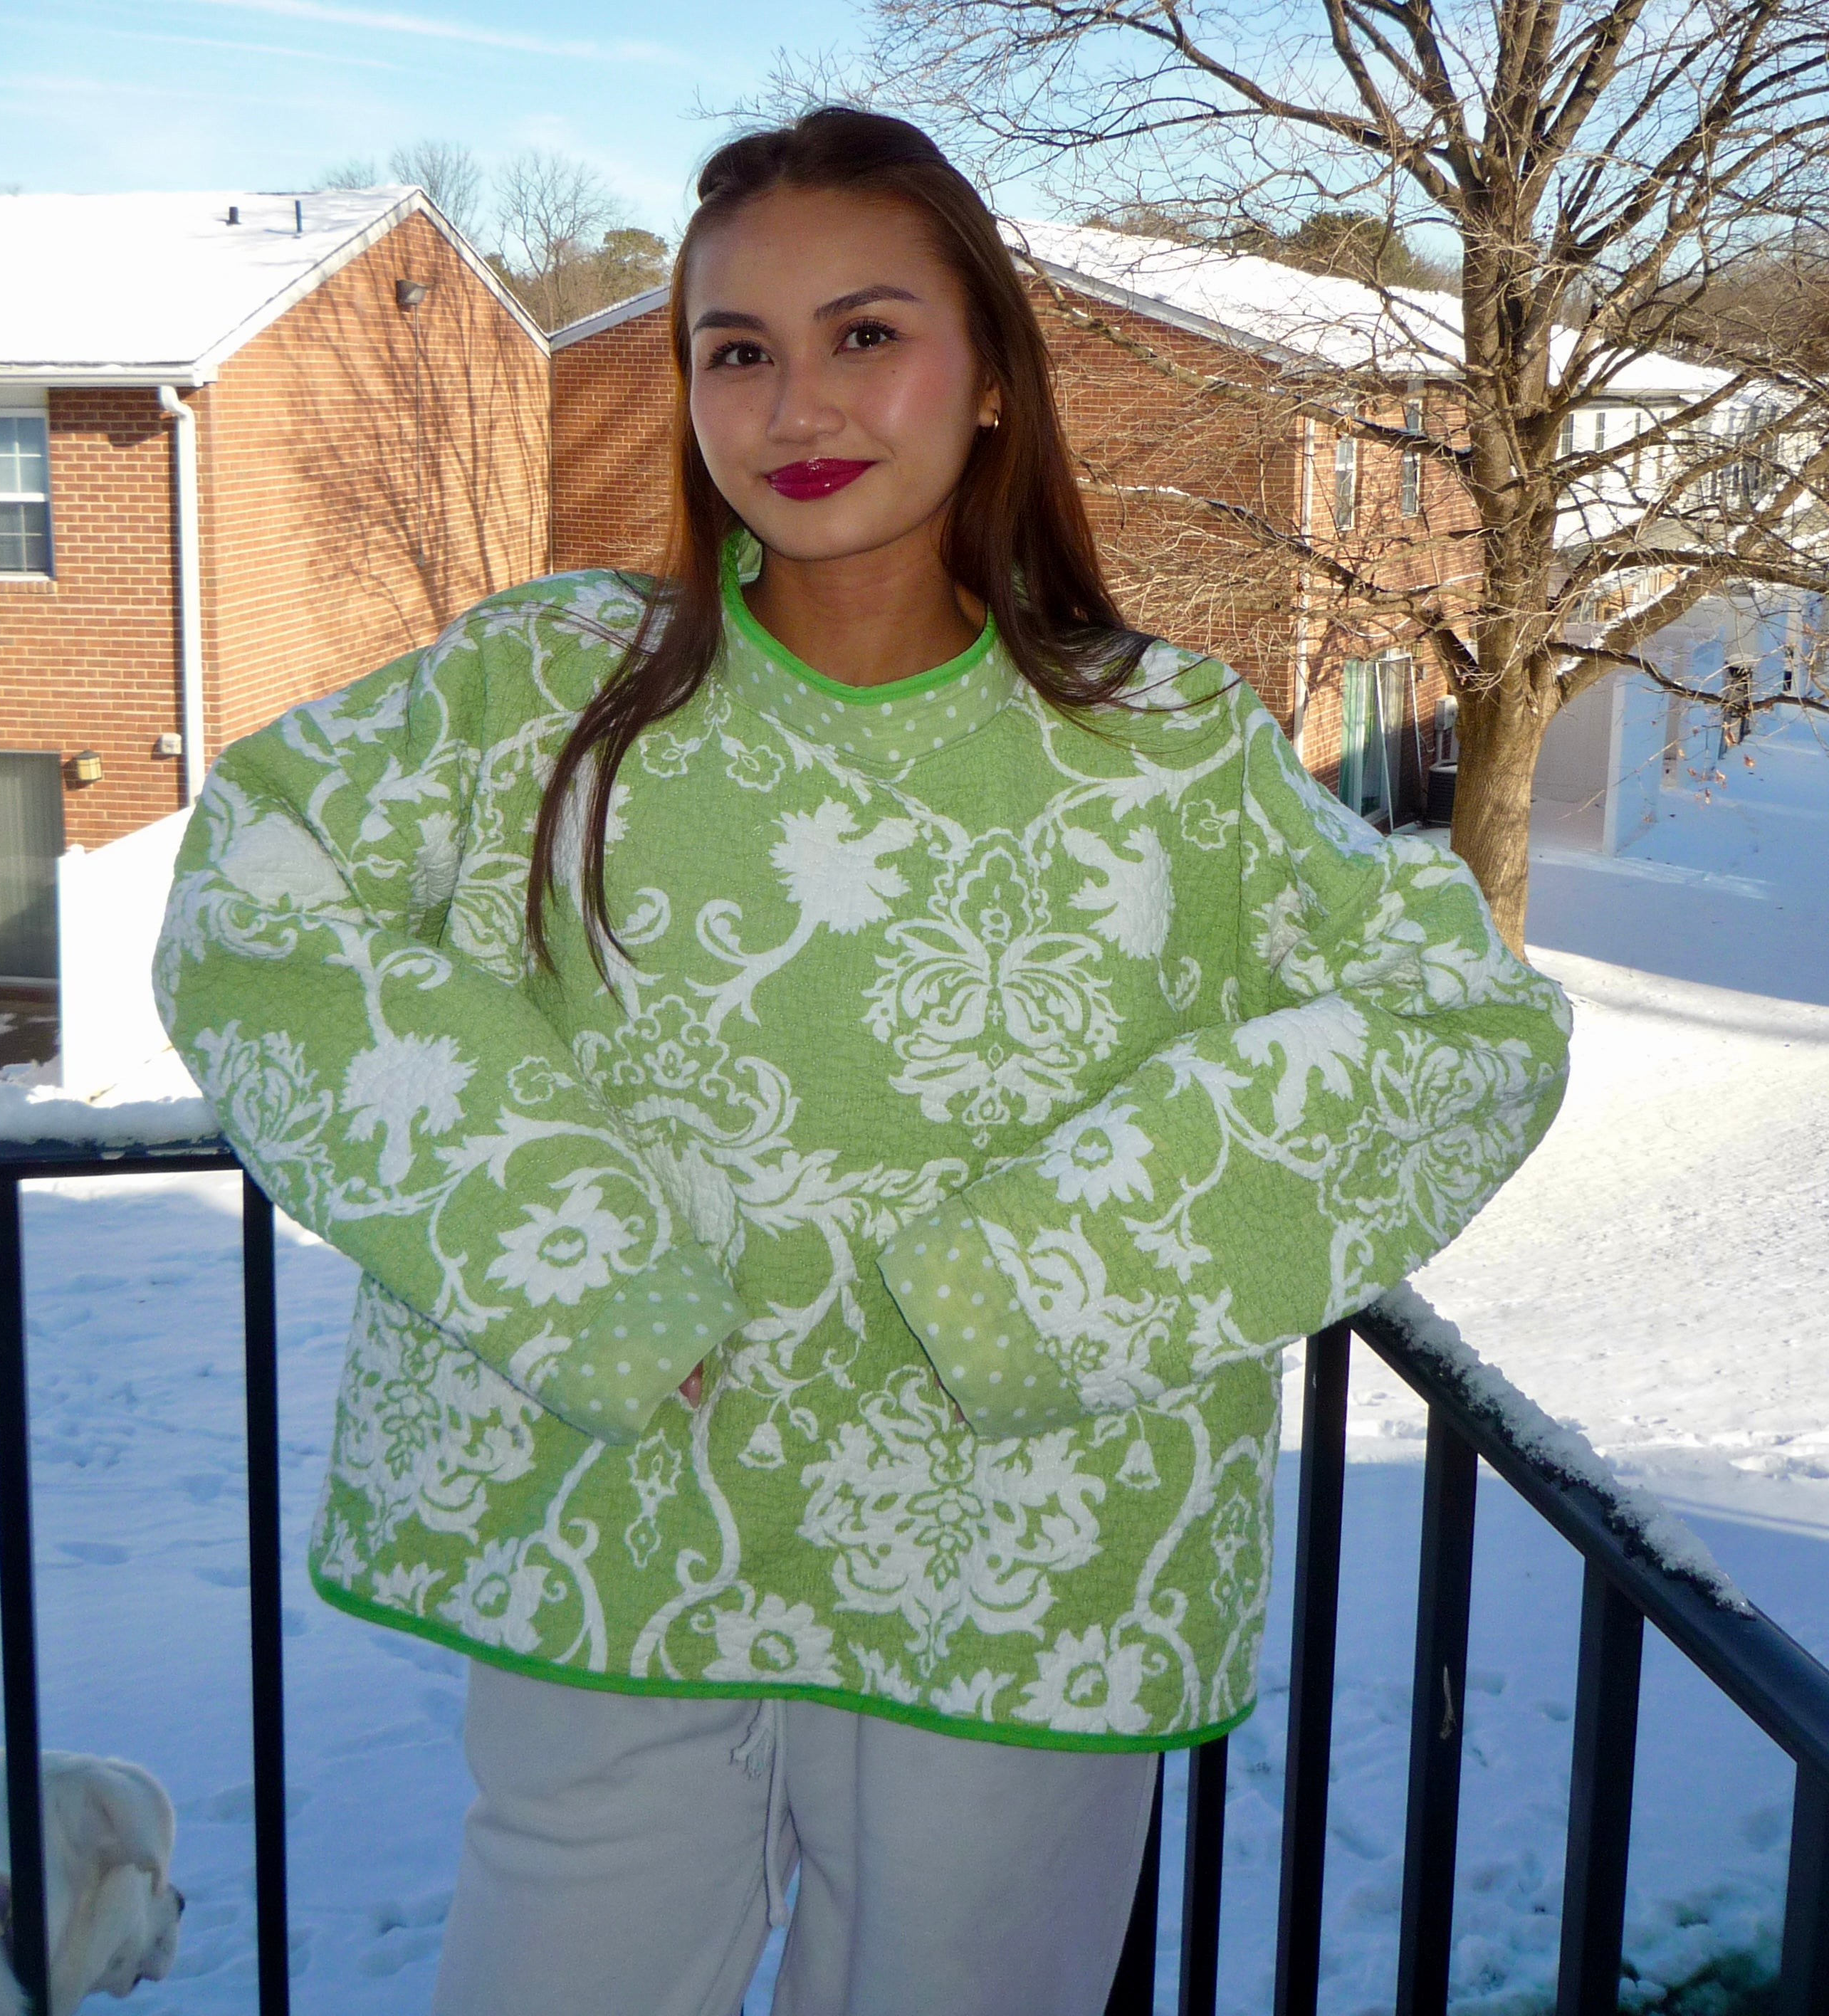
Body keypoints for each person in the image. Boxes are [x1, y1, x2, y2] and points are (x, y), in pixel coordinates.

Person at [157, 107, 1571, 2016]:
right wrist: (580, 1259)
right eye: (735, 348)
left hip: (1021, 1562)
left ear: (990, 374)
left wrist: (1026, 1281)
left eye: (865, 333)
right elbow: (259, 893)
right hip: (615, 1531)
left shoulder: (1170, 747)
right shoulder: (543, 688)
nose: (792, 400)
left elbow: (1459, 1026)